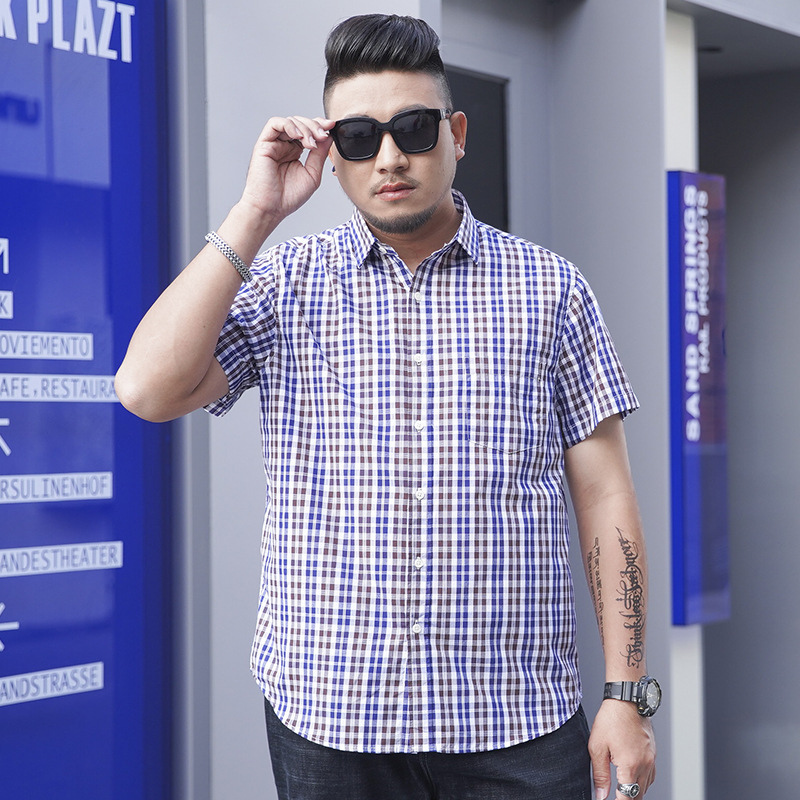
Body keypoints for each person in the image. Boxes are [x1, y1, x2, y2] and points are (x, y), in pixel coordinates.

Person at [116, 13, 657, 800]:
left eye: (414, 128)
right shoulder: (288, 283)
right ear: (333, 155)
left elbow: (605, 497)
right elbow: (146, 389)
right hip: (331, 720)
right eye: (361, 137)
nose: (391, 157)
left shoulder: (551, 290)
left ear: (456, 133)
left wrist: (626, 693)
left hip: (515, 720)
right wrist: (255, 214)